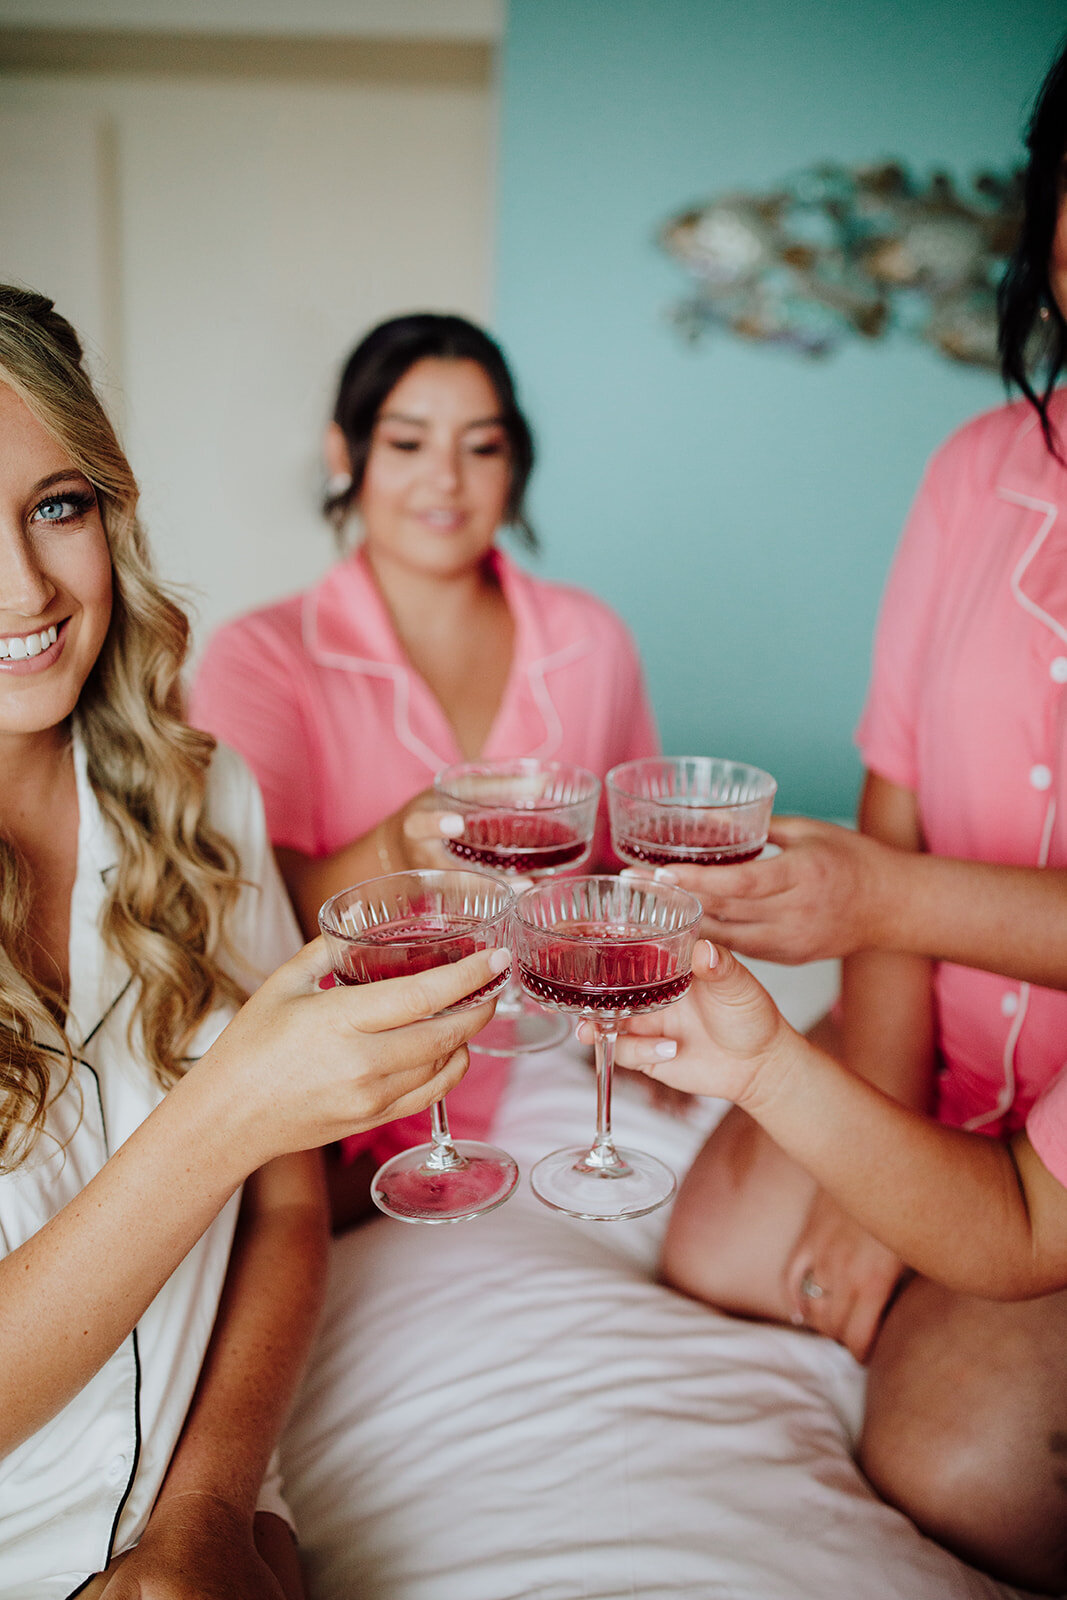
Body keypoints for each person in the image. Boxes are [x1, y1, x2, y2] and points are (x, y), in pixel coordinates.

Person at [609, 38, 1067, 1595]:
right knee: (717, 1249)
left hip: (1052, 1167)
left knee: (964, 1468)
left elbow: (879, 883)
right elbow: (892, 801)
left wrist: (871, 908)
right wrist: (868, 1140)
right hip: (950, 1067)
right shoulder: (972, 472)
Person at [0, 286, 506, 1600]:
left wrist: (210, 1510)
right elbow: (246, 1142)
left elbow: (287, 1199)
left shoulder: (197, 793)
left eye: (56, 507)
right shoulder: (286, 654)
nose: (24, 586)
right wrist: (228, 1111)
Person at [190, 314, 658, 1222]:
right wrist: (392, 847)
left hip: (549, 1075)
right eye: (407, 442)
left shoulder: (590, 639)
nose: (445, 480)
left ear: (512, 464)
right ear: (347, 450)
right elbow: (249, 915)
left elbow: (622, 874)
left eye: (480, 448)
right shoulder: (261, 657)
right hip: (357, 1090)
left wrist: (641, 1024)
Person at [587, 939, 1067, 1594]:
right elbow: (880, 920)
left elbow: (1027, 1229)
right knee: (716, 1263)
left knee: (968, 1488)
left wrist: (875, 1205)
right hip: (945, 1040)